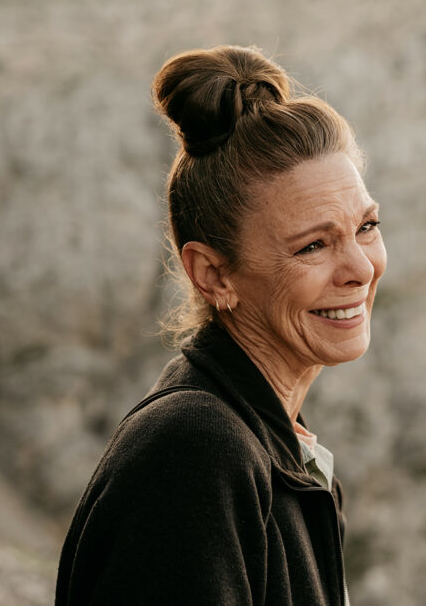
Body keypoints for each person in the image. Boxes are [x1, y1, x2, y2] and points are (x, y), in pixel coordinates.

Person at [55, 45, 386, 605]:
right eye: (313, 245)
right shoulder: (193, 454)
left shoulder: (267, 441)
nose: (359, 268)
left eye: (367, 226)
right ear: (213, 275)